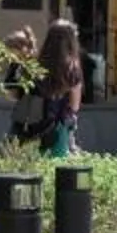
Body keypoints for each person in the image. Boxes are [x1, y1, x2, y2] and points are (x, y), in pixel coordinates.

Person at [36, 18, 85, 160]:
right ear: (71, 42)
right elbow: (74, 106)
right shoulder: (71, 69)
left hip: (33, 127)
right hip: (58, 128)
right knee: (58, 166)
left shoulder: (36, 65)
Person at [1, 26, 44, 143]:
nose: (9, 55)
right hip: (23, 111)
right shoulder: (16, 64)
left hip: (35, 112)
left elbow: (12, 93)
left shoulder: (33, 65)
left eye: (10, 50)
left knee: (18, 141)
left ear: (20, 48)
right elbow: (11, 93)